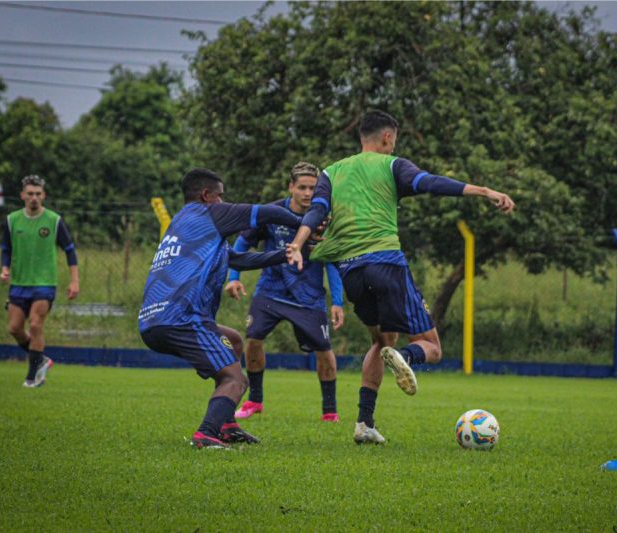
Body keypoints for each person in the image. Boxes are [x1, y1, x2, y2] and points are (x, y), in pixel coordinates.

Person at [286, 110, 515, 444]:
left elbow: (317, 210)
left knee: (381, 341)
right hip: (386, 266)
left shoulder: (332, 172)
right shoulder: (392, 165)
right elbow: (430, 183)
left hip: (351, 272)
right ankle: (406, 358)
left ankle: (364, 423)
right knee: (432, 347)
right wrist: (484, 191)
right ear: (387, 138)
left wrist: (297, 243)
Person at [138, 168, 307, 449]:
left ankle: (226, 424)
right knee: (235, 379)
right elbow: (266, 213)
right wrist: (303, 225)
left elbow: (239, 260)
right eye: (221, 196)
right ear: (206, 195)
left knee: (235, 341)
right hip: (181, 317)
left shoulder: (183, 225)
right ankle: (206, 433)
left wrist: (284, 254)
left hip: (153, 320)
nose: (224, 202)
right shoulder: (209, 214)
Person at [225, 162, 345, 423]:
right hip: (270, 290)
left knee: (324, 350)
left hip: (309, 296)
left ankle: (330, 411)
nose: (307, 193)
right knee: (253, 338)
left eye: (313, 188)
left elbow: (332, 262)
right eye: (302, 187)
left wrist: (337, 301)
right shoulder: (272, 212)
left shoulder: (324, 218)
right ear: (291, 187)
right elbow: (244, 241)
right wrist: (234, 277)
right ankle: (255, 400)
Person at [0, 174, 79, 388]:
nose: (34, 197)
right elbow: (6, 249)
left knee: (35, 325)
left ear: (43, 196)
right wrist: (5, 268)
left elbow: (70, 251)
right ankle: (41, 359)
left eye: (38, 194)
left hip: (44, 283)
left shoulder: (54, 220)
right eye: (30, 194)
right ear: (22, 195)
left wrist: (74, 281)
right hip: (19, 283)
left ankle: (33, 375)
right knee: (15, 328)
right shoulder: (12, 220)